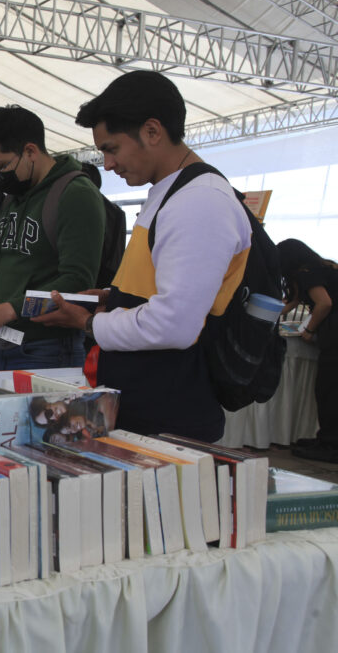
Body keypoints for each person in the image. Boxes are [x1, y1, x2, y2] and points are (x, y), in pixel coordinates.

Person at [32, 70, 252, 442]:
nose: (107, 164)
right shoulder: (170, 193)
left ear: (152, 131)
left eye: (111, 148)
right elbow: (161, 287)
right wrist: (109, 297)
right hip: (143, 408)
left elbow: (174, 324)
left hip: (169, 420)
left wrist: (87, 323)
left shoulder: (200, 201)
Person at [0, 105, 105, 376]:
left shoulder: (76, 195)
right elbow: (5, 268)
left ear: (31, 152)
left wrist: (9, 310)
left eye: (1, 166)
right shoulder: (13, 196)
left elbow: (76, 282)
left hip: (45, 349)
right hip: (5, 343)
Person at [278, 239, 338, 462]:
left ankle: (330, 445)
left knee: (329, 391)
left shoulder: (306, 272)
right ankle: (326, 438)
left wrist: (310, 329)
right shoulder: (322, 267)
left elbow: (324, 303)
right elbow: (292, 302)